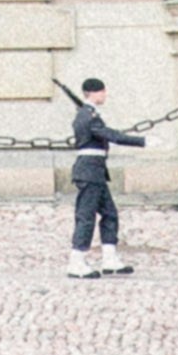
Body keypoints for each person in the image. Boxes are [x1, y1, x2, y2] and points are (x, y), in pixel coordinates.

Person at [65, 76, 145, 279]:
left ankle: (110, 259)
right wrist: (142, 141)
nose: (105, 95)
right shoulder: (87, 116)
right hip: (89, 171)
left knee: (110, 214)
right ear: (93, 93)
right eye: (102, 91)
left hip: (97, 172)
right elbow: (110, 135)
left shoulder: (88, 113)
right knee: (86, 217)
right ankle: (76, 262)